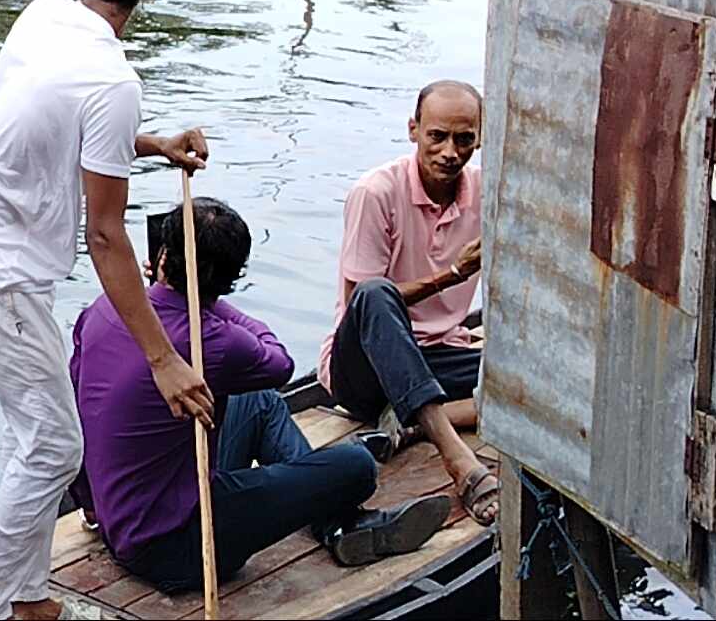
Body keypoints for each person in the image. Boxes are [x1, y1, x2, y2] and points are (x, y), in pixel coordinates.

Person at [0, 0, 214, 621]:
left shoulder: (46, 14)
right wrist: (163, 358)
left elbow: (67, 125)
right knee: (54, 449)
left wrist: (154, 144)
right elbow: (108, 236)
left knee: (39, 436)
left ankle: (29, 600)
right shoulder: (115, 81)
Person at [70, 199, 452, 589]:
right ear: (229, 280)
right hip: (177, 547)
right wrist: (213, 304)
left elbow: (75, 416)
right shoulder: (218, 339)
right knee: (357, 466)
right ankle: (337, 523)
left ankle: (336, 524)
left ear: (163, 256)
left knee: (258, 401)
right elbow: (279, 363)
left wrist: (92, 506)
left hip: (119, 522)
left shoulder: (101, 310)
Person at [318, 80, 498, 525]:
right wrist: (453, 275)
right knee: (376, 294)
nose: (450, 152)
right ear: (414, 130)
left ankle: (415, 423)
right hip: (363, 369)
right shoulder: (376, 193)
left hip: (437, 354)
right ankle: (457, 457)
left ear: (480, 138)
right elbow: (361, 303)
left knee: (531, 381)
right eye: (437, 137)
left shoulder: (487, 193)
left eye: (464, 139)